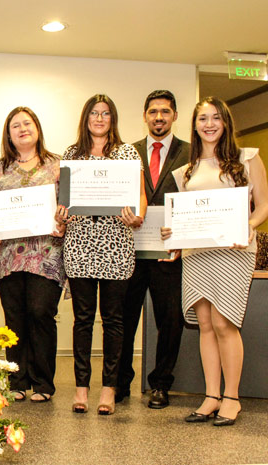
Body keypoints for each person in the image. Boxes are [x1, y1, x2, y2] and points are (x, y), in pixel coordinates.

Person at [162, 97, 268, 426]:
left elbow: (263, 206)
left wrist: (248, 227)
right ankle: (211, 396)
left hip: (234, 252)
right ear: (193, 125)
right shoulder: (185, 172)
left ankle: (232, 397)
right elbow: (183, 216)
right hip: (197, 255)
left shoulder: (247, 158)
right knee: (204, 325)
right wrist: (173, 235)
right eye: (202, 118)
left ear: (225, 123)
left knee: (225, 324)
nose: (209, 124)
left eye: (215, 118)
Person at [56, 94, 147, 415]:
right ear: (86, 117)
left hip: (116, 243)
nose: (99, 118)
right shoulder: (71, 154)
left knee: (114, 320)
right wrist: (61, 214)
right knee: (82, 321)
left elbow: (139, 196)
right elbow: (62, 200)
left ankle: (109, 389)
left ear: (113, 118)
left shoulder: (126, 153)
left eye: (105, 113)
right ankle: (81, 388)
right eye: (94, 113)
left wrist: (137, 216)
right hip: (80, 242)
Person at [0, 107, 66, 403]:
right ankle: (17, 379)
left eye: (27, 123)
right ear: (8, 134)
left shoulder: (57, 165)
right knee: (14, 317)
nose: (22, 129)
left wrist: (63, 222)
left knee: (41, 312)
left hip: (46, 253)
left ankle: (43, 383)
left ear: (38, 128)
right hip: (8, 256)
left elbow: (69, 204)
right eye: (15, 125)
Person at [116, 90, 189, 408]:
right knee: (124, 318)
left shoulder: (191, 152)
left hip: (170, 252)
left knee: (170, 320)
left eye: (165, 112)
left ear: (174, 116)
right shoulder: (127, 153)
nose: (159, 117)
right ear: (144, 115)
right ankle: (119, 383)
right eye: (153, 111)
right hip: (129, 250)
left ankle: (160, 384)